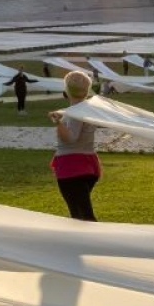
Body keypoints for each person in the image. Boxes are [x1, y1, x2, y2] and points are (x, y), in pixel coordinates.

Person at [49, 71, 100, 221]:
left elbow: (71, 138)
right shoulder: (87, 110)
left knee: (81, 215)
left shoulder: (75, 113)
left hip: (72, 166)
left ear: (67, 90)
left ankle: (95, 242)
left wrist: (58, 123)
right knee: (81, 213)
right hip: (88, 164)